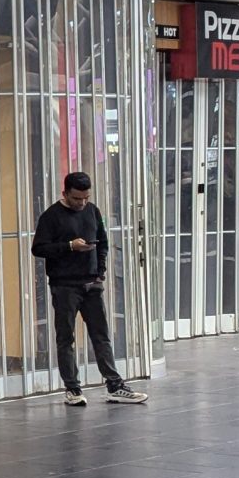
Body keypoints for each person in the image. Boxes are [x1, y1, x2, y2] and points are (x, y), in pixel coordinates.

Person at [32, 170, 146, 408]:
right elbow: (39, 248)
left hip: (91, 282)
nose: (81, 203)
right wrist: (69, 246)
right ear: (65, 193)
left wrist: (100, 271)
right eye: (76, 198)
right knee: (66, 337)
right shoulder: (51, 216)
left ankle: (114, 385)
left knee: (101, 335)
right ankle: (72, 387)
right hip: (64, 285)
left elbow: (102, 242)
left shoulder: (92, 211)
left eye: (85, 197)